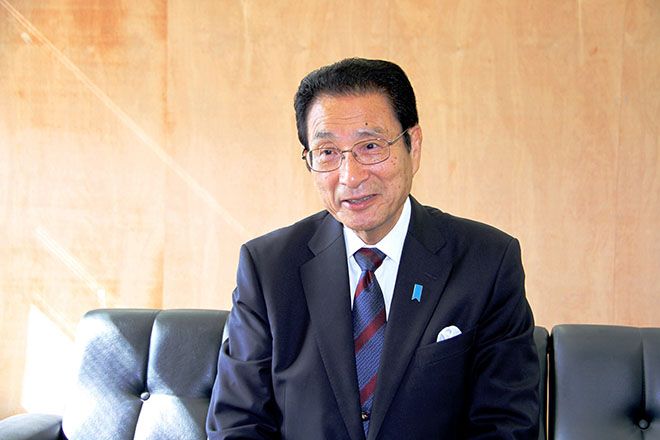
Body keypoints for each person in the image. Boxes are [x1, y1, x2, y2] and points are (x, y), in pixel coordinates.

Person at [206, 58, 540, 439]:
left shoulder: (487, 263)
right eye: (327, 152)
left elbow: (507, 426)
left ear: (413, 146)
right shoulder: (268, 269)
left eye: (370, 146)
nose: (350, 176)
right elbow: (238, 424)